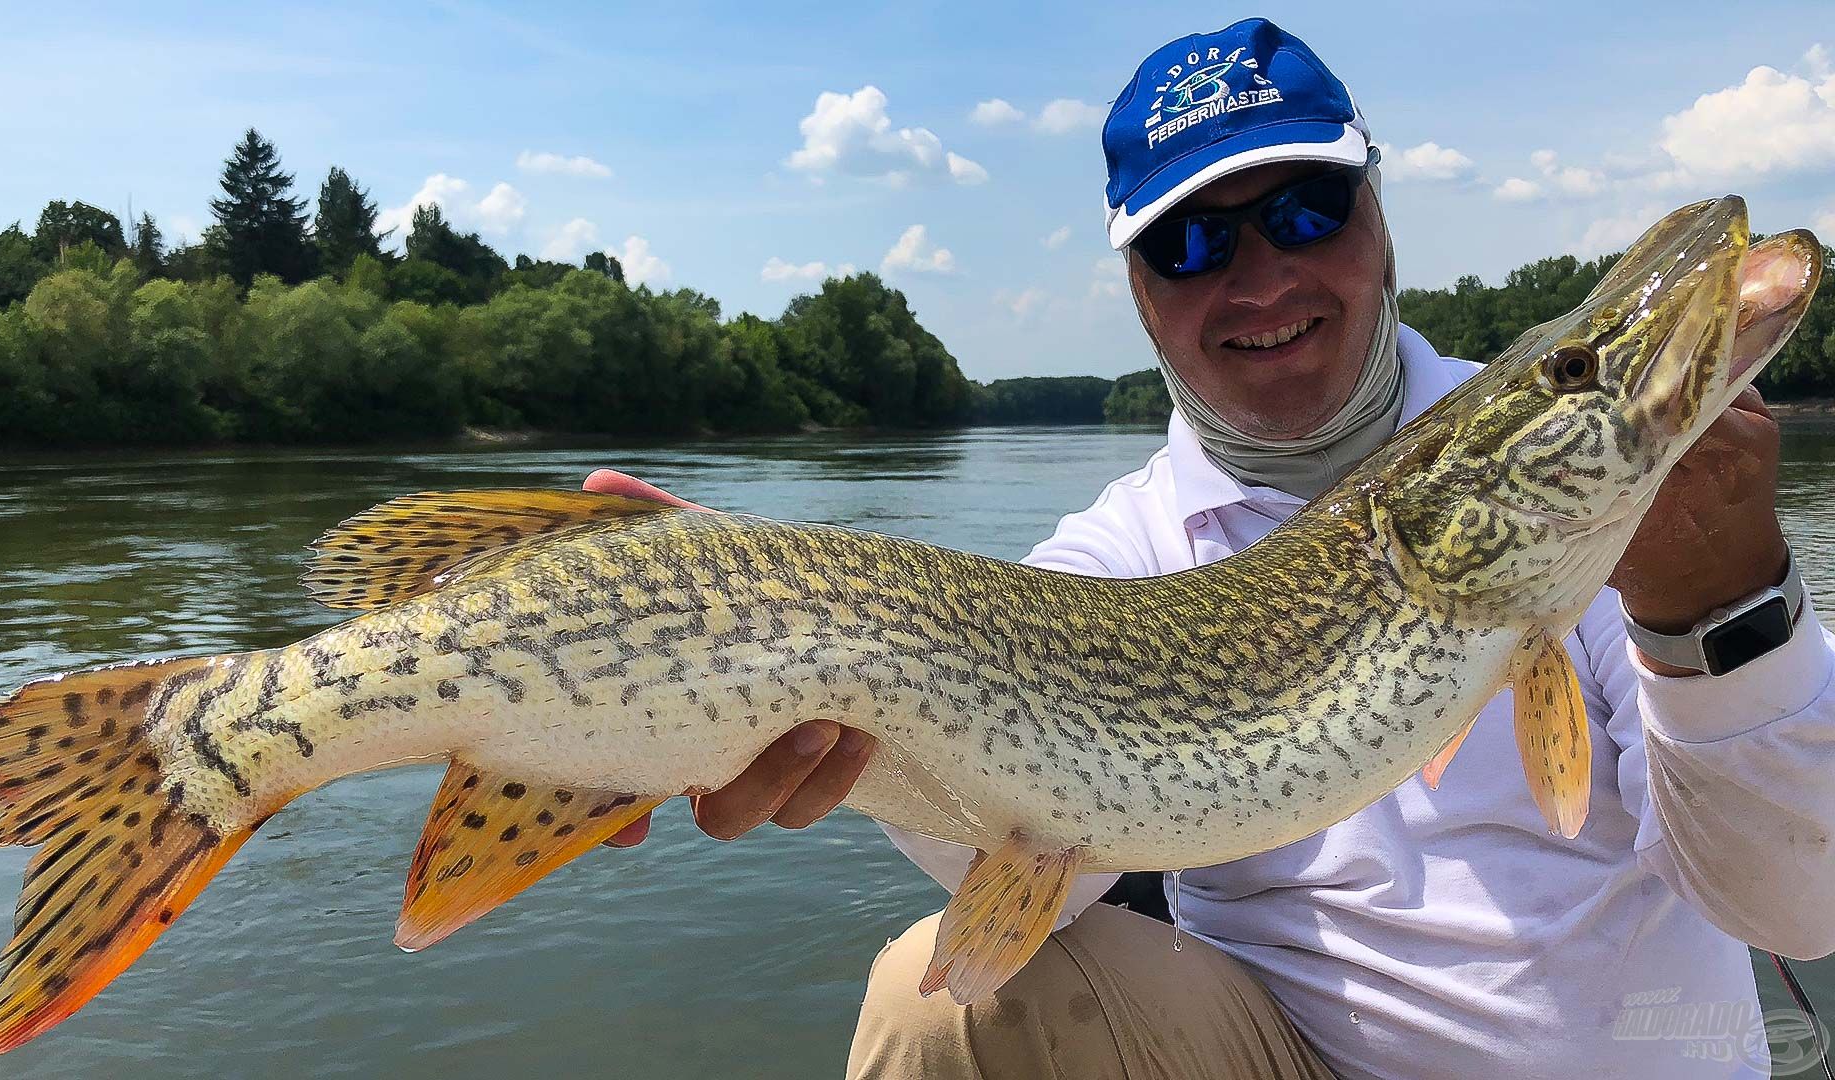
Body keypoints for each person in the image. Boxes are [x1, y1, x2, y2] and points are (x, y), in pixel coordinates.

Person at [596, 18, 1835, 1080]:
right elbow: (1038, 873)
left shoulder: (1594, 506)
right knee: (939, 1004)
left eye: (1305, 211)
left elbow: (1803, 907)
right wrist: (799, 687)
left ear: (1379, 221)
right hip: (1263, 1053)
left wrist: (1718, 606)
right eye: (1192, 244)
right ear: (1139, 290)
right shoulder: (1109, 557)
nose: (1259, 277)